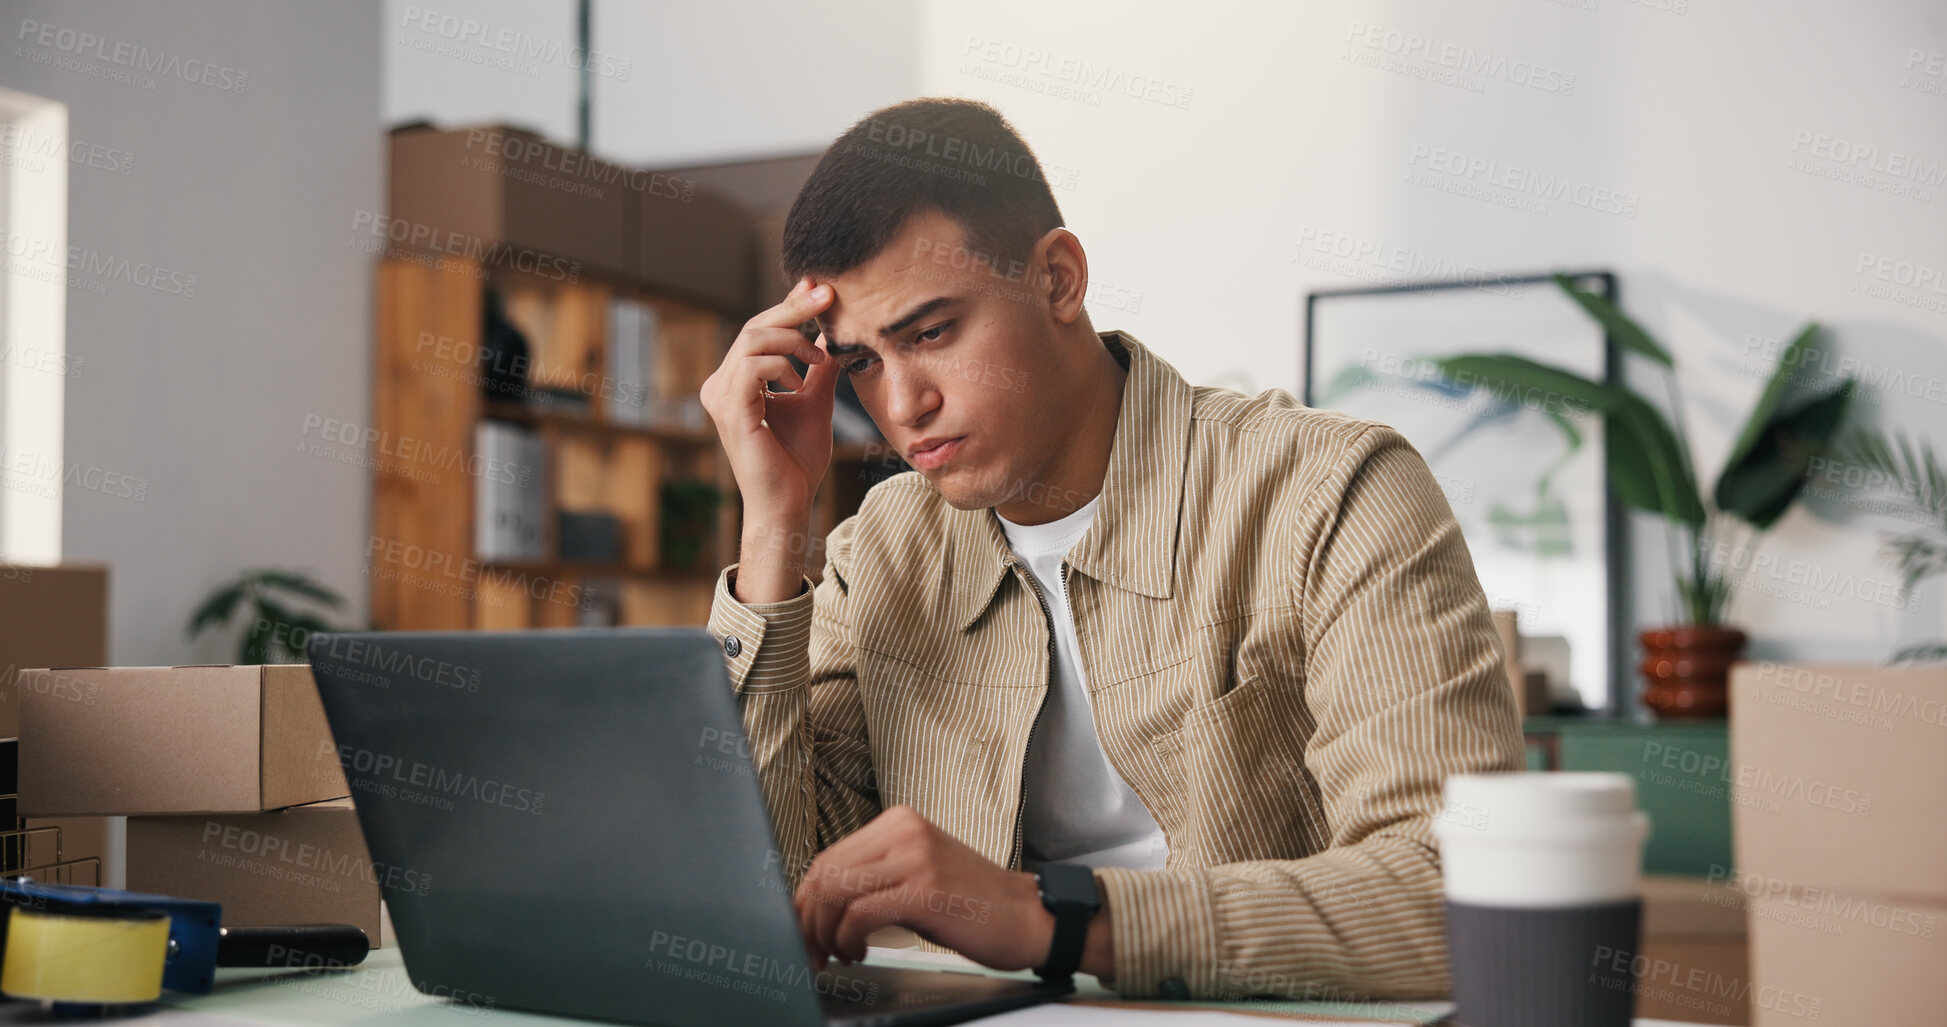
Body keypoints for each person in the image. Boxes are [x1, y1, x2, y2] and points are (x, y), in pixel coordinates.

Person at [697, 96, 1524, 1002]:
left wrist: (1048, 917)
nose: (900, 408)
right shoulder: (883, 551)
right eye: (860, 364)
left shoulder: (1331, 493)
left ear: (1056, 278)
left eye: (930, 332)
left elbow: (1458, 895)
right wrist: (774, 526)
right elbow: (766, 905)